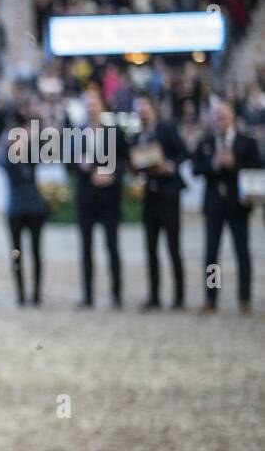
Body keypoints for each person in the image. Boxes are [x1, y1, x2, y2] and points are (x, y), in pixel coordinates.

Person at [192, 102, 259, 314]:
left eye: (223, 115)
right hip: (213, 205)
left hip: (237, 206)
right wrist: (213, 164)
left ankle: (245, 298)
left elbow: (256, 169)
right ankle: (211, 297)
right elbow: (195, 168)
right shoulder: (207, 142)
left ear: (232, 117)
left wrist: (234, 163)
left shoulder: (246, 142)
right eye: (217, 116)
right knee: (212, 254)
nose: (220, 119)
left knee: (242, 252)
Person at [71, 91, 129, 309]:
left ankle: (116, 294)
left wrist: (111, 174)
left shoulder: (114, 132)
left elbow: (125, 161)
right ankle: (88, 295)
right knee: (85, 249)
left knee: (112, 247)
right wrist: (79, 166)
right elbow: (68, 164)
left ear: (102, 107)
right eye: (88, 105)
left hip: (108, 198)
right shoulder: (76, 133)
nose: (91, 108)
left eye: (95, 104)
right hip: (86, 198)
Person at [131, 94, 188, 310]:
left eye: (145, 106)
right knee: (151, 249)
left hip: (168, 194)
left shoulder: (166, 129)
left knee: (173, 247)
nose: (142, 111)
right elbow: (134, 161)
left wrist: (170, 166)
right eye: (139, 108)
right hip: (150, 195)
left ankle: (179, 297)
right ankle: (154, 295)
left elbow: (183, 152)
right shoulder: (138, 136)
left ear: (152, 107)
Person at [0, 116, 49, 306]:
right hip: (16, 209)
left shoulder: (32, 153)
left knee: (36, 252)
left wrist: (32, 138)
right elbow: (2, 162)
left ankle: (36, 294)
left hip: (34, 208)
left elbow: (47, 150)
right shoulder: (8, 155)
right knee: (16, 252)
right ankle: (20, 294)